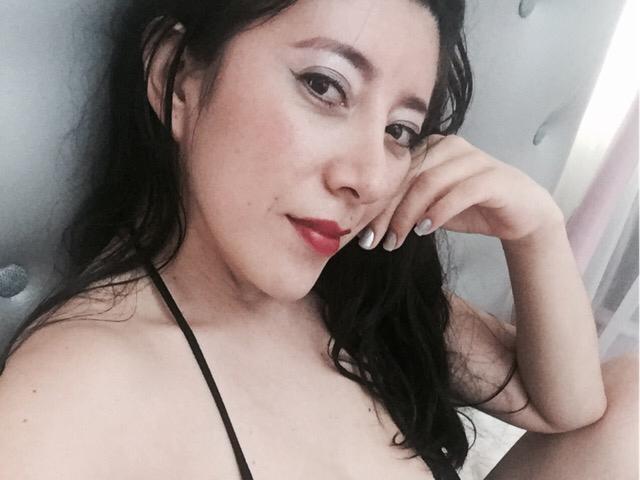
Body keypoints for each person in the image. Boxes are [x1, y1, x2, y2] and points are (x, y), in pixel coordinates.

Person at [0, 1, 637, 479]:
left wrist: (535, 229)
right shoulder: (75, 391)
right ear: (176, 74)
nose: (368, 178)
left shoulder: (359, 299)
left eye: (399, 130)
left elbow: (570, 408)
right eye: (324, 86)